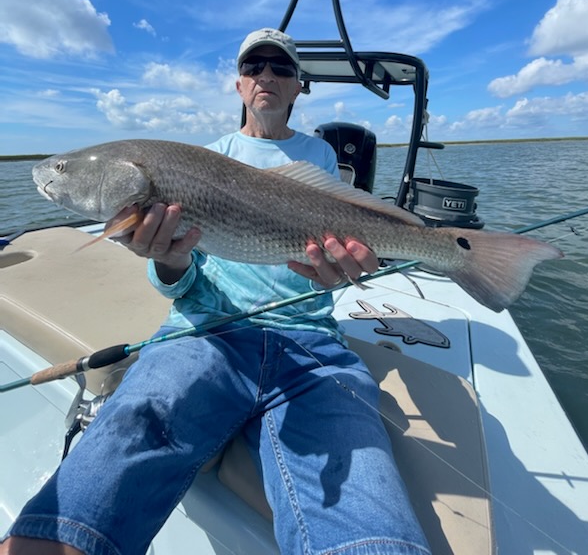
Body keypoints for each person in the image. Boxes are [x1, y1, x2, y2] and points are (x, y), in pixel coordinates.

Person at [1, 28, 431, 555]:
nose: (267, 76)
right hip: (207, 332)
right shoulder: (205, 158)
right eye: (255, 68)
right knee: (113, 455)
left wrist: (347, 269)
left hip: (311, 344)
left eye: (281, 68)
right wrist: (168, 257)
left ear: (299, 87)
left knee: (368, 519)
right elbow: (182, 282)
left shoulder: (319, 156)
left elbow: (334, 236)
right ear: (239, 85)